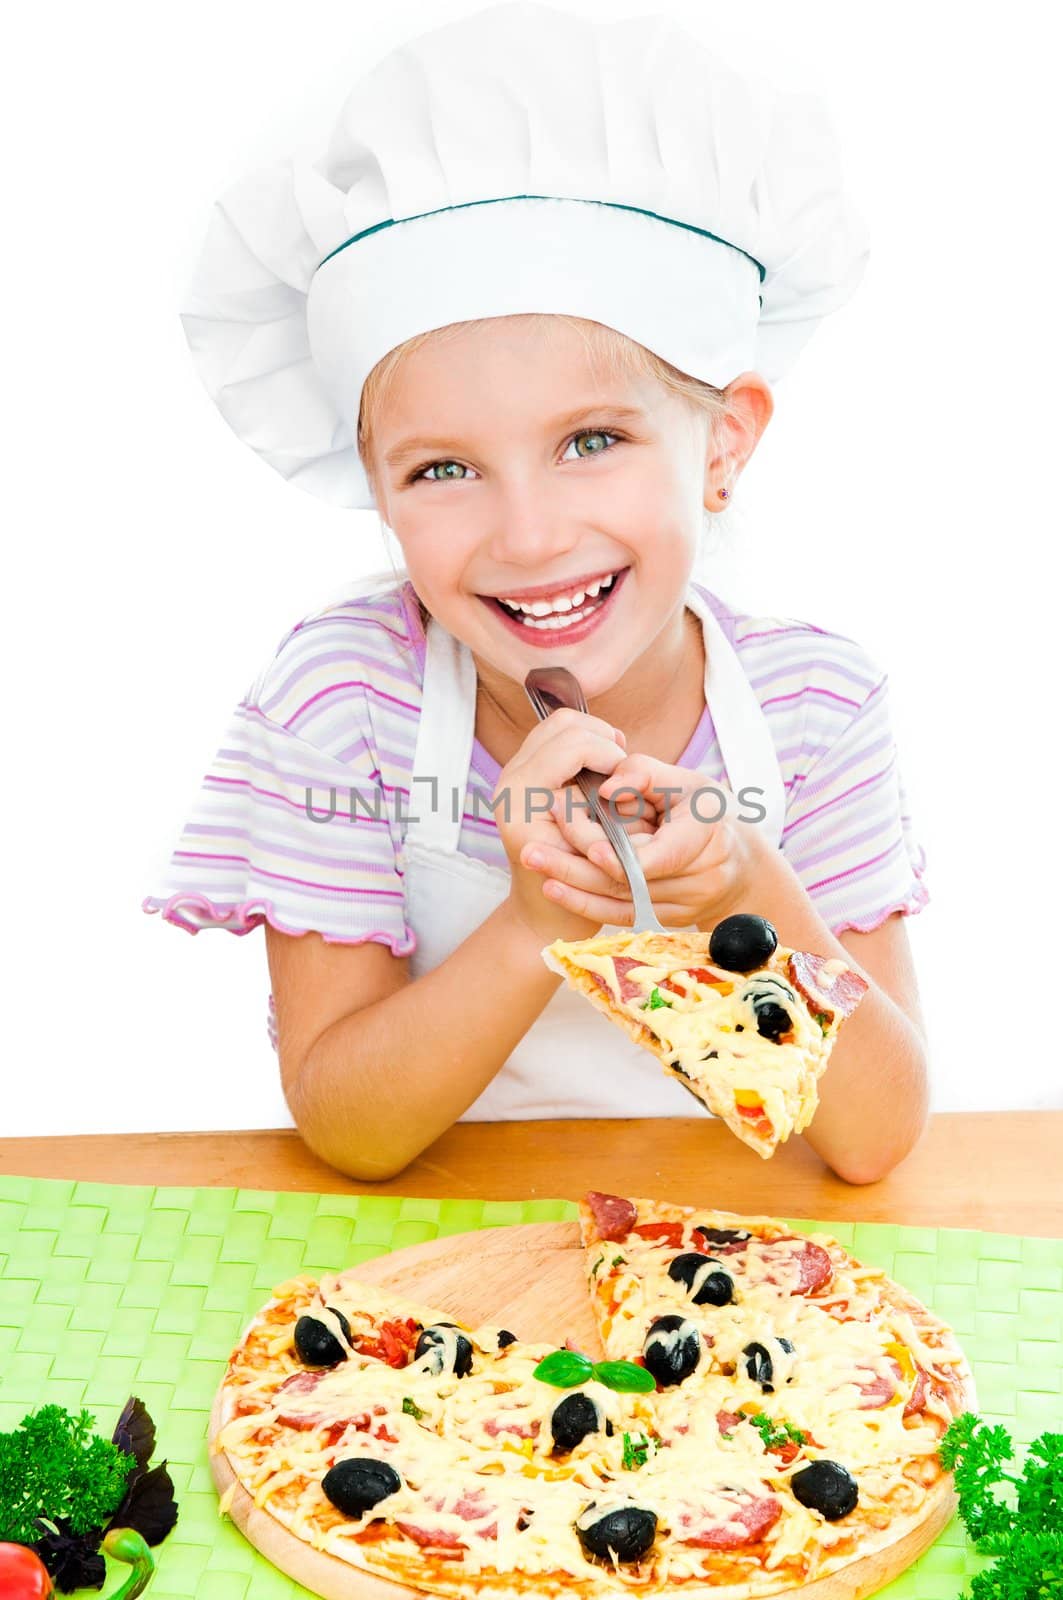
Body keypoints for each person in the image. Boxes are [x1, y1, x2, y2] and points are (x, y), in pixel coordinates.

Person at [144, 2, 929, 1184]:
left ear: (722, 442)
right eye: (444, 469)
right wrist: (536, 926)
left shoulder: (816, 705)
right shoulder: (344, 702)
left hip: (752, 1269)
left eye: (591, 440)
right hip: (443, 1286)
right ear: (376, 484)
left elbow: (873, 1139)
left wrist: (742, 879)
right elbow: (351, 1129)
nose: (527, 534)